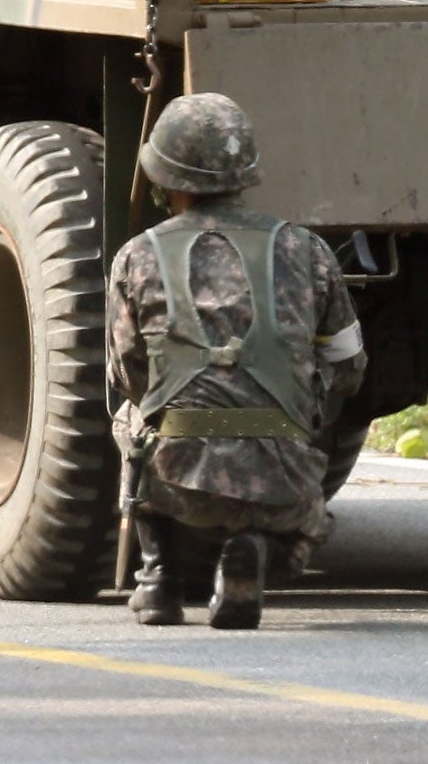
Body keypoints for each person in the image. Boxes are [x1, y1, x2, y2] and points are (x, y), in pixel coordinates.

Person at [109, 92, 367, 628]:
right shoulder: (306, 249)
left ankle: (158, 579)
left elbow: (127, 371)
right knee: (305, 519)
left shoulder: (137, 255)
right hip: (283, 480)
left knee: (131, 417)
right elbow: (348, 365)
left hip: (174, 478)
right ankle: (261, 554)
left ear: (163, 179)